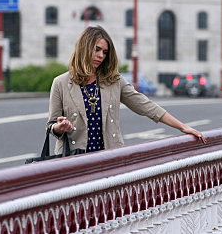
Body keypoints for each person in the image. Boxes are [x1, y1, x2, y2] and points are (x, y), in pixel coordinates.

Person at [47, 25, 206, 154]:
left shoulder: (113, 81)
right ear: (84, 48)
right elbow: (51, 126)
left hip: (108, 158)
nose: (101, 55)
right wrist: (59, 127)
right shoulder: (61, 83)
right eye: (97, 49)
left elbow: (146, 106)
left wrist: (183, 127)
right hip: (73, 161)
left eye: (105, 52)